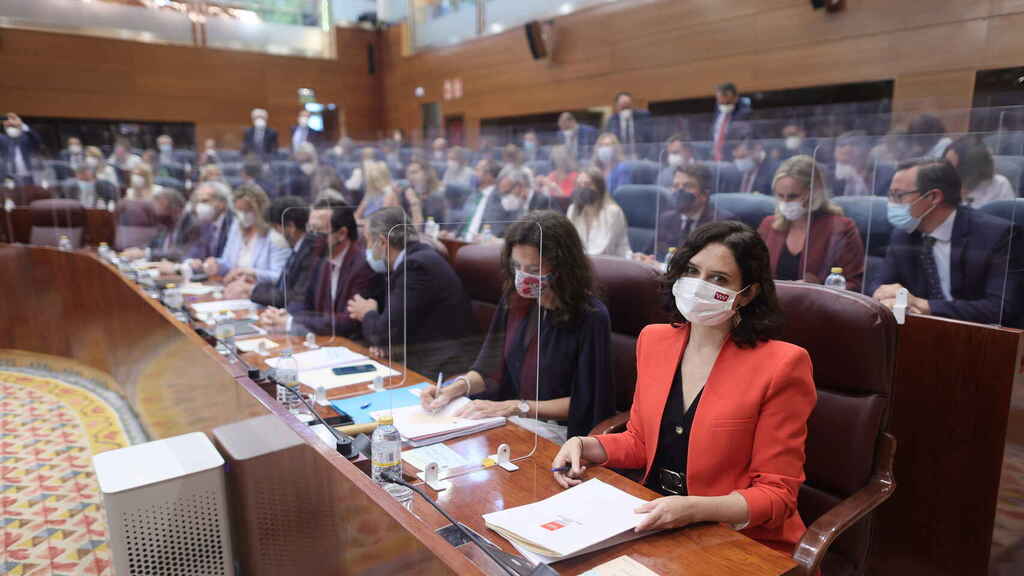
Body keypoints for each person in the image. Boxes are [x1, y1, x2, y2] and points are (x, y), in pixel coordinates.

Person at [551, 220, 815, 555]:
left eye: (718, 279)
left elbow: (777, 495)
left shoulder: (783, 365)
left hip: (738, 541)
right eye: (691, 271)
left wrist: (693, 508)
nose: (698, 285)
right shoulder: (653, 340)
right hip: (655, 518)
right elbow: (640, 441)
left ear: (747, 294)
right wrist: (587, 445)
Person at [420, 210, 615, 441]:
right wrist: (453, 389)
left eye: (533, 269)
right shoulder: (514, 300)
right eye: (516, 266)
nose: (522, 277)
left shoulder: (591, 317)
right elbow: (487, 372)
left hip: (561, 432)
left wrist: (516, 407)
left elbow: (585, 403)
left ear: (563, 268)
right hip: (510, 418)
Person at [872, 159, 1022, 327]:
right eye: (890, 194)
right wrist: (887, 295)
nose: (891, 203)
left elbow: (1001, 309)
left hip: (982, 338)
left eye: (898, 195)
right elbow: (880, 286)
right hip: (920, 333)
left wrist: (926, 305)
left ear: (934, 197)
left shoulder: (998, 236)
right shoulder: (903, 234)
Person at [347, 207, 479, 376]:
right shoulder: (412, 260)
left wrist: (366, 313)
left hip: (441, 367)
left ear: (382, 242)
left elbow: (385, 334)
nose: (366, 248)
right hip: (420, 357)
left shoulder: (416, 267)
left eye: (367, 241)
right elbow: (392, 331)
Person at [260, 200, 375, 337]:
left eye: (319, 231)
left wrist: (292, 321)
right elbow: (303, 301)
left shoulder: (362, 266)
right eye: (310, 230)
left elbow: (348, 321)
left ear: (342, 234)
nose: (311, 237)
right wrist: (282, 315)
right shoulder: (319, 259)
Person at [757, 155, 865, 291]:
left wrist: (817, 289)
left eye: (793, 196)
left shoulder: (841, 228)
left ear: (814, 192)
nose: (785, 202)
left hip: (817, 308)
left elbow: (854, 284)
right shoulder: (768, 225)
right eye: (780, 195)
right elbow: (754, 274)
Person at [225, 196, 323, 308]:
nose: (274, 234)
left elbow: (293, 298)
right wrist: (255, 284)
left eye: (275, 228)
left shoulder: (311, 252)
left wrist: (251, 289)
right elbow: (281, 288)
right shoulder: (298, 249)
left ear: (291, 227)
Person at [201, 183, 290, 284]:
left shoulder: (275, 236)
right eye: (239, 211)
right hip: (234, 290)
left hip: (259, 295)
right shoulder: (236, 227)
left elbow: (280, 276)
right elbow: (228, 262)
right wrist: (217, 264)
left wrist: (251, 273)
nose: (242, 216)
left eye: (247, 211)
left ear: (260, 210)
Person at [655, 163, 735, 260]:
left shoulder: (721, 223)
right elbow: (653, 254)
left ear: (704, 194)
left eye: (687, 186)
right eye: (676, 186)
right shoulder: (666, 219)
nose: (679, 191)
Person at [122, 187, 199, 263]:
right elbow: (152, 244)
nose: (157, 213)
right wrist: (139, 250)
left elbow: (181, 253)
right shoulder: (166, 224)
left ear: (175, 209)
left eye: (161, 208)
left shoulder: (191, 224)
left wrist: (145, 254)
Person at [566, 167, 631, 257]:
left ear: (599, 188)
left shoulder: (613, 213)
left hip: (605, 266)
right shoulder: (572, 210)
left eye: (587, 184)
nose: (582, 188)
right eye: (579, 185)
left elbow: (619, 249)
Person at [943, 134, 1017, 208]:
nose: (948, 172)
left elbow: (1006, 216)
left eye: (955, 168)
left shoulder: (1000, 184)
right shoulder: (942, 184)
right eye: (946, 164)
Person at [186, 181, 234, 261]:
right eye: (198, 202)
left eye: (205, 201)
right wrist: (189, 262)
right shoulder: (204, 224)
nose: (200, 206)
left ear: (222, 203)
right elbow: (193, 253)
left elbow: (228, 260)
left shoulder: (232, 225)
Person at [459, 158, 501, 241]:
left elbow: (495, 231)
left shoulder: (498, 199)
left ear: (489, 176)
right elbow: (464, 224)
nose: (474, 174)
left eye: (477, 170)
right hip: (461, 241)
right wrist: (453, 234)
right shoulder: (473, 196)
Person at [711, 83, 752, 162]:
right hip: (715, 156)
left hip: (733, 158)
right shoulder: (718, 110)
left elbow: (747, 136)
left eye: (727, 102)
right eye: (720, 101)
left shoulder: (743, 113)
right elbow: (715, 131)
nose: (722, 104)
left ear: (735, 98)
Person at [604, 92, 652, 159]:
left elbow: (651, 140)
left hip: (640, 158)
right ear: (617, 106)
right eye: (623, 106)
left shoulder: (643, 118)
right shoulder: (612, 121)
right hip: (620, 159)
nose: (626, 109)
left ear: (632, 104)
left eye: (628, 105)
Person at [1, 113, 39, 186]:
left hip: (27, 176)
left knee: (30, 195)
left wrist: (22, 125)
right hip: (9, 178)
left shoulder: (25, 138)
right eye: (8, 126)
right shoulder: (3, 139)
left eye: (13, 126)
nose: (11, 128)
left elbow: (36, 141)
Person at [832, 131, 873, 197]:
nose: (847, 148)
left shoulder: (883, 174)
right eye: (841, 145)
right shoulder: (826, 174)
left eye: (854, 144)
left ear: (867, 150)